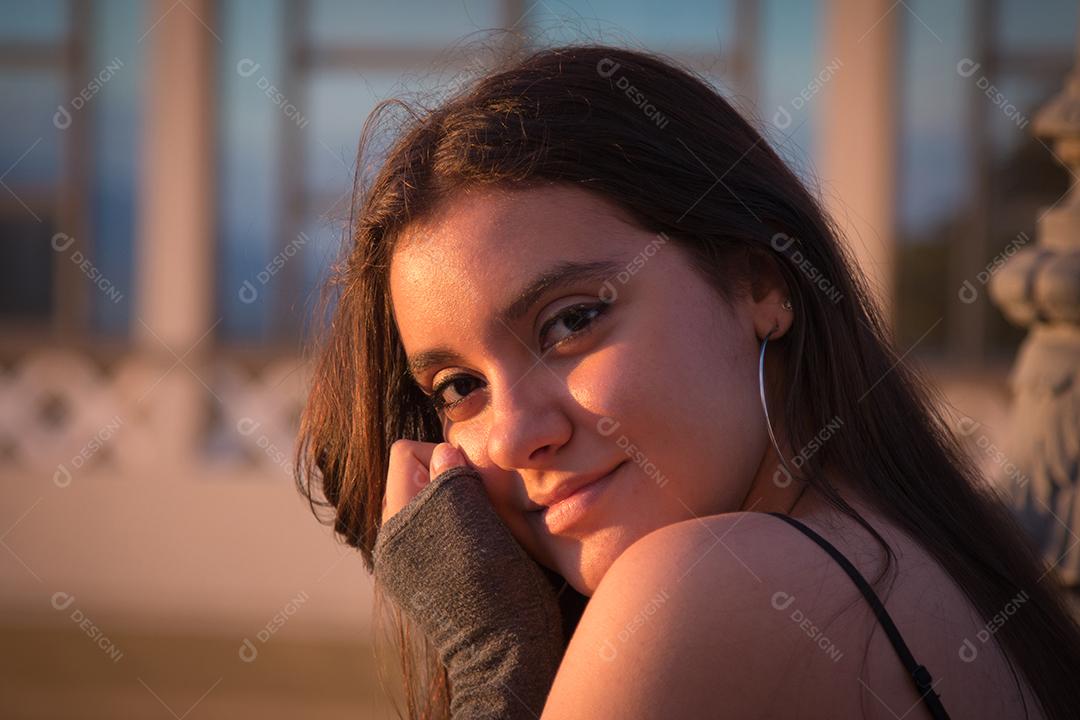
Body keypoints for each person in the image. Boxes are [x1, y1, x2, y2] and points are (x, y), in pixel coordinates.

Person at [295, 43, 1080, 719]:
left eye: (570, 322)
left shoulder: (698, 592)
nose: (515, 435)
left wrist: (492, 660)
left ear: (761, 286)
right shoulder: (924, 553)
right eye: (459, 387)